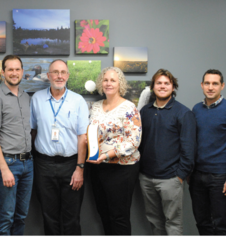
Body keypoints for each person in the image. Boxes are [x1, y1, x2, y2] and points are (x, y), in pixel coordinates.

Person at [30, 59, 89, 235]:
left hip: (71, 165)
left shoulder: (78, 101)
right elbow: (32, 130)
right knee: (49, 216)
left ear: (68, 76)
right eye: (55, 72)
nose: (59, 76)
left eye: (63, 72)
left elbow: (82, 137)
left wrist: (80, 168)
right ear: (48, 76)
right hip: (44, 165)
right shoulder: (37, 99)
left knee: (71, 218)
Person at [138, 69, 196, 235]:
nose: (162, 86)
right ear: (153, 86)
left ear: (173, 86)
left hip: (171, 179)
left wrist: (179, 176)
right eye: (159, 83)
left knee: (173, 224)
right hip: (146, 178)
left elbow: (189, 148)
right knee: (154, 221)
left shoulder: (184, 113)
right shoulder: (145, 112)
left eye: (166, 83)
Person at [87, 67, 142, 235]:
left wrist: (107, 155)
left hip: (122, 169)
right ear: (100, 83)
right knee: (103, 212)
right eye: (105, 80)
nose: (108, 83)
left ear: (120, 84)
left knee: (119, 216)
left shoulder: (129, 108)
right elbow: (90, 133)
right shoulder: (95, 107)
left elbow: (134, 141)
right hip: (97, 167)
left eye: (113, 80)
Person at [190, 69, 226, 235]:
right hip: (197, 176)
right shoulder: (196, 109)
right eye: (207, 83)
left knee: (220, 224)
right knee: (202, 222)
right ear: (202, 85)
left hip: (220, 177)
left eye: (215, 83)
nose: (211, 87)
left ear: (222, 86)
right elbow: (192, 142)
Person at [0, 55, 33, 235]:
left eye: (17, 69)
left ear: (22, 71)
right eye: (10, 69)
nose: (14, 73)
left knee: (21, 215)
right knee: (6, 216)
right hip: (8, 164)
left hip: (28, 164)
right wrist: (4, 169)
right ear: (2, 72)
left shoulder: (25, 97)